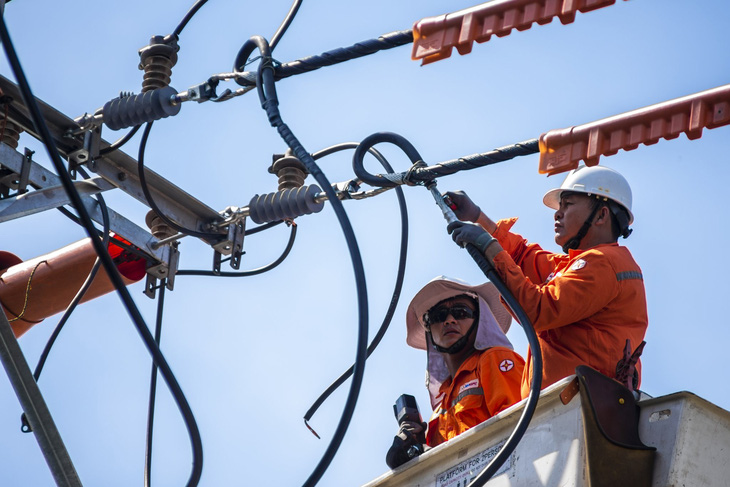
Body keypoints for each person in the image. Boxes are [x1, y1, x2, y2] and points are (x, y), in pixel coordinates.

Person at [445, 165, 648, 399]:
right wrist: (478, 217)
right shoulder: (575, 266)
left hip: (582, 409)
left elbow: (539, 310)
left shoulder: (603, 264)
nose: (557, 213)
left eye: (568, 204)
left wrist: (489, 246)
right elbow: (521, 255)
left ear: (601, 215)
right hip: (563, 410)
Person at [386, 276, 524, 468]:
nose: (449, 320)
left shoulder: (494, 359)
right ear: (430, 330)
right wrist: (414, 454)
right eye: (438, 316)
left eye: (461, 312)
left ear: (480, 320)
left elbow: (520, 429)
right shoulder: (439, 410)